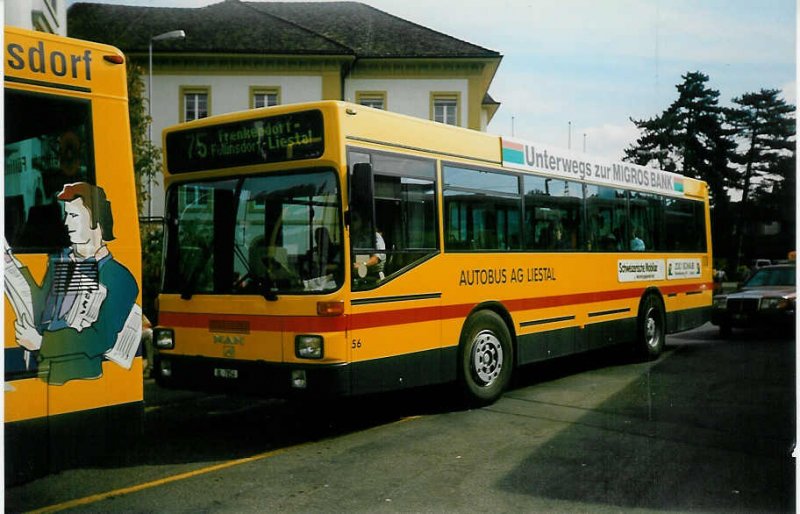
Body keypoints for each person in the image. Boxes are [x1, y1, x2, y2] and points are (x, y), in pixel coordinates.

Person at [6, 182, 139, 385]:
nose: (66, 223)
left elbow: (100, 338)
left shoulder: (119, 277)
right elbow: (44, 310)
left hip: (81, 380)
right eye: (66, 215)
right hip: (47, 372)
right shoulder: (64, 261)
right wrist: (12, 267)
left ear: (96, 219)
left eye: (74, 216)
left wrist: (42, 343)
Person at [350, 210, 386, 279]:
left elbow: (376, 259)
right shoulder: (354, 238)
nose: (352, 223)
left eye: (355, 219)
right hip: (358, 276)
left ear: (362, 221)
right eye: (350, 220)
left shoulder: (375, 236)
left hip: (374, 277)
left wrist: (362, 264)